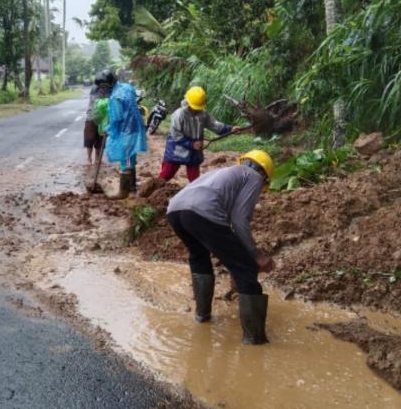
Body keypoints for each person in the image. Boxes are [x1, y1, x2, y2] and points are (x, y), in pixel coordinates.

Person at [166, 150, 275, 345]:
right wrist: (254, 255)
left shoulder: (224, 173)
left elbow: (226, 234)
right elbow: (240, 219)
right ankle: (255, 340)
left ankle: (202, 316)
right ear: (264, 174)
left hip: (175, 210)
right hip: (202, 212)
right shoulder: (254, 178)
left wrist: (235, 262)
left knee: (199, 256)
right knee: (247, 269)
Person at [159, 86, 240, 183]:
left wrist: (230, 129)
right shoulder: (178, 115)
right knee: (166, 175)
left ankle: (195, 194)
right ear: (187, 102)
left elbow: (215, 125)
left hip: (194, 152)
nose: (196, 110)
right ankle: (151, 193)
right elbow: (176, 135)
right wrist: (191, 144)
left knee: (195, 181)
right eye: (194, 108)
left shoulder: (203, 114)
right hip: (176, 150)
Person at [91, 73, 148, 198]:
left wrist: (108, 129)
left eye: (103, 87)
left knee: (126, 159)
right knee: (130, 158)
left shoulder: (115, 98)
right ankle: (132, 190)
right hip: (135, 126)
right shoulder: (126, 87)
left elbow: (116, 118)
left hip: (126, 131)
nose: (102, 90)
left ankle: (123, 192)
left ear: (109, 85)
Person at [83, 71, 113, 165]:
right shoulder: (94, 88)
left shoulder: (110, 89)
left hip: (104, 118)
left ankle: (97, 158)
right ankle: (88, 158)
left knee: (100, 138)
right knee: (89, 138)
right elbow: (95, 101)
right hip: (92, 117)